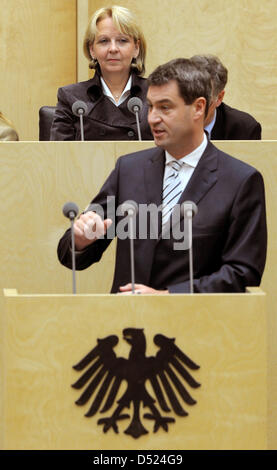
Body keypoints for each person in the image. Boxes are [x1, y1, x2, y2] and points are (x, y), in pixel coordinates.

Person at [58, 58, 267, 294]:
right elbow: (72, 255)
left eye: (165, 107)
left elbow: (244, 273)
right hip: (126, 324)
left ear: (199, 108)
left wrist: (168, 297)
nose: (153, 118)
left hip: (200, 325)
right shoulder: (129, 170)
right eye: (151, 106)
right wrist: (80, 240)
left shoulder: (240, 181)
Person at [50, 5, 153, 141]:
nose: (113, 49)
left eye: (122, 41)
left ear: (136, 48)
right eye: (104, 41)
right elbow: (59, 156)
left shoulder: (154, 93)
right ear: (92, 49)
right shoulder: (72, 97)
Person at [190, 54, 262, 140]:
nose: (192, 106)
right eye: (187, 94)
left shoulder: (244, 128)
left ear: (219, 98)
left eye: (202, 101)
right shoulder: (171, 122)